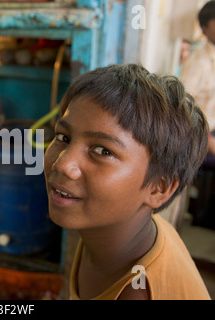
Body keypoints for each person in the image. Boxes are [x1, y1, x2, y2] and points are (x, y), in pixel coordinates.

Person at [43, 64, 211, 300]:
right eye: (63, 137)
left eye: (102, 150)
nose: (63, 164)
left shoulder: (138, 292)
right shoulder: (112, 234)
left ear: (159, 188)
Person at [180, 0, 215, 156]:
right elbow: (184, 108)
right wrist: (208, 141)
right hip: (199, 138)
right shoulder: (198, 61)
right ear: (204, 30)